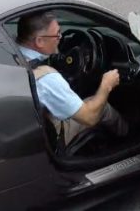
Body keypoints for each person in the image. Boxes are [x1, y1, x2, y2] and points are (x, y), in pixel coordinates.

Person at [16, 12, 128, 146]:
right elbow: (89, 117)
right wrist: (106, 85)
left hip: (24, 126)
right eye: (57, 34)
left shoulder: (12, 53)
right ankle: (129, 139)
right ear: (39, 41)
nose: (60, 37)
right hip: (50, 138)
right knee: (103, 109)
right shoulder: (46, 78)